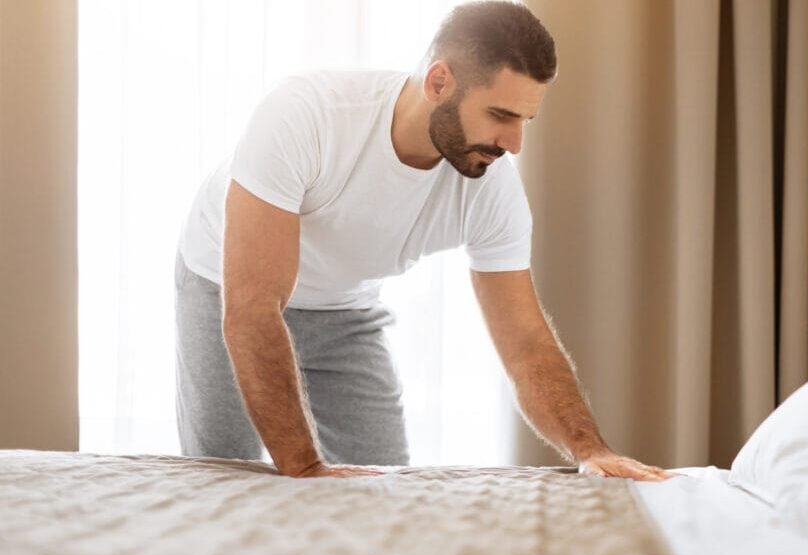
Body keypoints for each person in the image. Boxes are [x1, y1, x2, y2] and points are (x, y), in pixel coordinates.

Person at [175, 0, 671, 481]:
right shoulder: (307, 115)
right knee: (225, 476)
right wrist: (304, 467)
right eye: (501, 115)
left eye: (525, 121)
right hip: (225, 285)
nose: (514, 144)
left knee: (382, 483)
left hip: (345, 310)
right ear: (439, 82)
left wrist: (590, 449)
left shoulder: (490, 189)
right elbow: (253, 305)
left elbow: (525, 345)